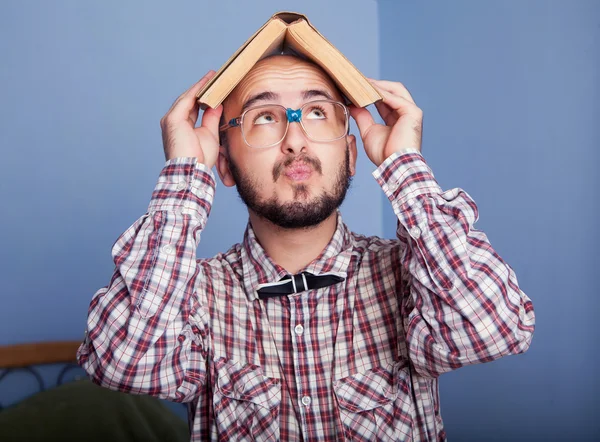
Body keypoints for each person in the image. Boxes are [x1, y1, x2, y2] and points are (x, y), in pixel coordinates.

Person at [77, 54, 535, 441]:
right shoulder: (194, 296)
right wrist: (183, 176)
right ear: (225, 165)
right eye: (264, 117)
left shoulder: (411, 275)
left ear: (352, 155)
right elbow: (123, 362)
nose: (295, 139)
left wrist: (405, 168)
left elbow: (495, 330)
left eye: (317, 112)